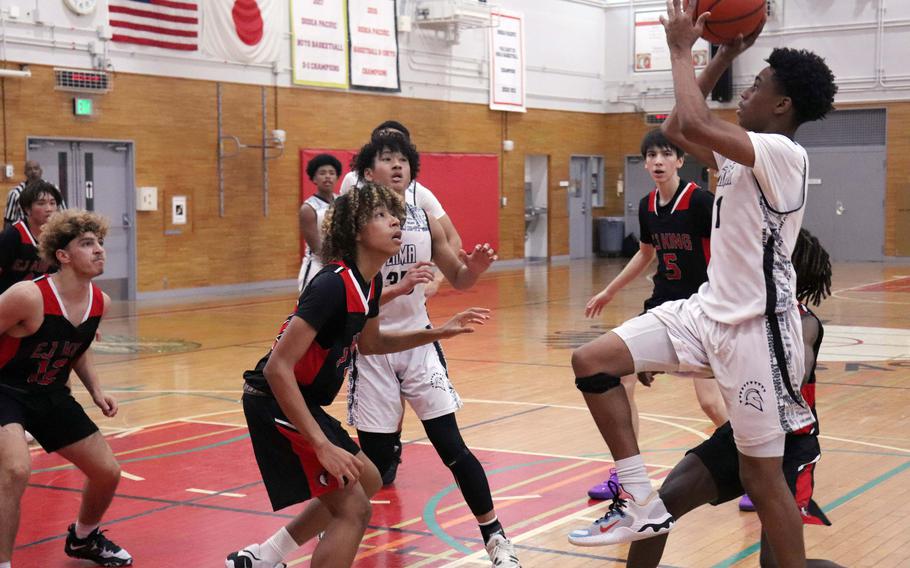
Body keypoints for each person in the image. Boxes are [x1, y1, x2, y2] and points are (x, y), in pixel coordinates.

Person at [566, 4, 836, 567]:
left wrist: (682, 50)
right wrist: (726, 54)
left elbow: (693, 123)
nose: (748, 91)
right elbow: (673, 129)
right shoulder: (743, 151)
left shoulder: (782, 153)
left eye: (758, 85)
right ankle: (638, 498)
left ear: (783, 104)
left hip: (757, 333)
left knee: (763, 482)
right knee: (592, 360)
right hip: (704, 312)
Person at [226, 182, 491, 568]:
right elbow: (278, 368)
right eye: (381, 216)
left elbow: (372, 344)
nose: (395, 221)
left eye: (394, 214)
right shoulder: (332, 285)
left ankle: (265, 557)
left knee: (367, 479)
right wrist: (321, 444)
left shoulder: (369, 281)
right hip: (272, 400)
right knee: (355, 509)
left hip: (299, 400)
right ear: (354, 230)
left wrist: (440, 332)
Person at [345, 133, 521, 568]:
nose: (398, 166)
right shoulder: (354, 222)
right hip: (372, 350)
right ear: (369, 173)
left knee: (452, 447)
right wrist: (399, 289)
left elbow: (458, 278)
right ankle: (314, 534)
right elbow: (350, 297)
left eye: (403, 159)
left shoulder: (423, 214)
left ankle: (496, 538)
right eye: (388, 159)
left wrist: (474, 269)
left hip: (420, 344)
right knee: (376, 463)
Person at [625, 229, 840, 568]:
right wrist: (658, 358)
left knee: (778, 565)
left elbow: (787, 381)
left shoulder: (801, 322)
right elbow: (705, 344)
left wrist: (710, 367)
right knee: (661, 504)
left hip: (788, 446)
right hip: (741, 432)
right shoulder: (742, 313)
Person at [583, 129, 727, 501]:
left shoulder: (701, 202)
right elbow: (646, 253)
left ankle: (754, 469)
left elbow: (726, 253)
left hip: (701, 312)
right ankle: (627, 475)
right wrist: (609, 290)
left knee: (711, 403)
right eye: (651, 156)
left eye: (666, 154)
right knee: (620, 378)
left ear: (681, 160)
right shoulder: (648, 206)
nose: (658, 161)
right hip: (663, 306)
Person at [0, 210, 132, 567]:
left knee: (108, 472)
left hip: (50, 393)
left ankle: (84, 538)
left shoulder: (99, 302)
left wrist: (96, 391)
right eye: (87, 244)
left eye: (100, 242)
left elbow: (77, 346)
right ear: (63, 255)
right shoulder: (28, 296)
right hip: (6, 389)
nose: (99, 250)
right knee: (15, 470)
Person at [340, 120, 462, 258]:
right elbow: (337, 231)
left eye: (401, 156)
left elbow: (453, 239)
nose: (396, 163)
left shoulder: (420, 193)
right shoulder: (352, 180)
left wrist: (435, 277)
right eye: (387, 157)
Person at [0, 182, 63, 294]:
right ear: (27, 209)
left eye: (52, 203)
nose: (49, 209)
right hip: (9, 301)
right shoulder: (12, 235)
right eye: (41, 203)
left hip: (42, 301)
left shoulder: (59, 237)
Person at [298, 154, 342, 291]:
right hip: (317, 265)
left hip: (338, 264)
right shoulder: (308, 208)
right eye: (322, 173)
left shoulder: (342, 202)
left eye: (331, 173)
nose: (327, 176)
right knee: (308, 310)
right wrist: (335, 263)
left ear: (337, 177)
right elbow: (316, 248)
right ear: (314, 178)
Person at [4, 161, 65, 229]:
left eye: (36, 168)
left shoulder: (53, 189)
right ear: (25, 173)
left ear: (41, 171)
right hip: (25, 233)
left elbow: (63, 213)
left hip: (50, 231)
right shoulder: (15, 193)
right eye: (29, 169)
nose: (33, 171)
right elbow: (8, 221)